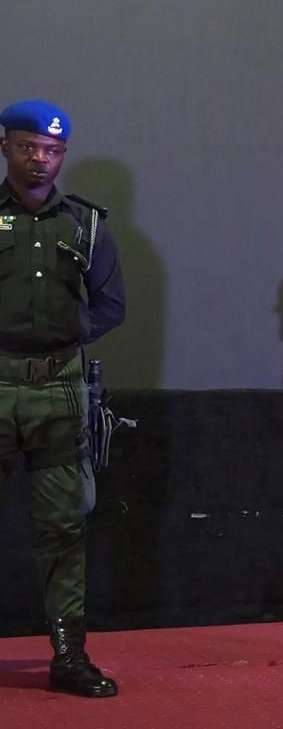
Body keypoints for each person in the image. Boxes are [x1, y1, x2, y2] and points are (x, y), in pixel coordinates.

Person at [0, 99, 125, 697]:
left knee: (64, 527)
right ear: (5, 146)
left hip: (59, 390)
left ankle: (68, 657)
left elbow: (111, 303)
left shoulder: (86, 224)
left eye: (52, 150)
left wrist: (63, 339)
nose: (40, 159)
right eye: (28, 147)